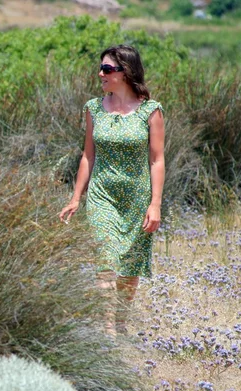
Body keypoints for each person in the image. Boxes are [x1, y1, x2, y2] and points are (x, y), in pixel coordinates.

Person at [58, 44, 165, 336]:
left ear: (125, 72)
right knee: (105, 259)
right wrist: (76, 197)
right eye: (101, 68)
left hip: (137, 197)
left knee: (130, 266)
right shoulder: (94, 108)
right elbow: (87, 156)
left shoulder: (150, 111)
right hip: (102, 195)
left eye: (107, 69)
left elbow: (157, 160)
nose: (100, 74)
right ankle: (106, 331)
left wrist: (154, 205)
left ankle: (120, 324)